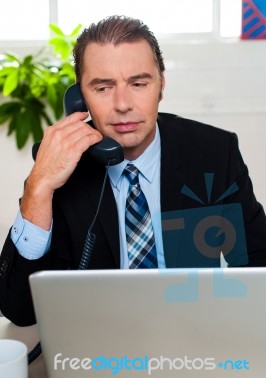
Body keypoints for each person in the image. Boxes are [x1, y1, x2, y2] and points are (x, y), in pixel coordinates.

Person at [1, 15, 266, 326]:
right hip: (96, 339)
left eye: (138, 83)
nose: (122, 104)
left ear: (161, 87)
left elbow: (256, 263)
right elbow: (19, 310)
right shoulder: (61, 165)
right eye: (102, 87)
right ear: (80, 99)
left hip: (191, 335)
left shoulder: (213, 154)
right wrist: (39, 186)